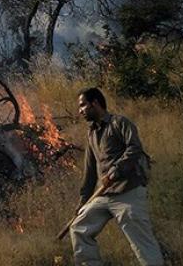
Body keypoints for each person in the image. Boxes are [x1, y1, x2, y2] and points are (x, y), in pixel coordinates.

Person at [70, 87, 163, 266]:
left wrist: (116, 170)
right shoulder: (91, 134)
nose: (80, 110)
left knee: (142, 243)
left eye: (83, 105)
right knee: (78, 228)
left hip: (128, 192)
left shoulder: (119, 123)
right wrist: (83, 201)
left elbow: (134, 148)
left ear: (95, 103)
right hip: (103, 196)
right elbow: (89, 172)